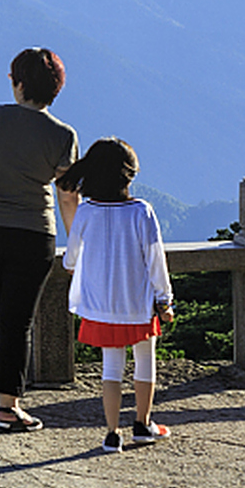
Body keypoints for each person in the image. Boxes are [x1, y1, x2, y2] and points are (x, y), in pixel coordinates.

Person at [0, 47, 78, 433]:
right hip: (32, 233)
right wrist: (75, 240)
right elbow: (66, 192)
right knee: (18, 320)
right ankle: (9, 404)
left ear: (18, 83)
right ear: (55, 89)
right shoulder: (62, 134)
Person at [59, 138, 174, 452]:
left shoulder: (86, 212)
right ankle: (143, 423)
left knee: (111, 368)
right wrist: (165, 300)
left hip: (100, 306)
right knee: (145, 361)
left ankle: (112, 433)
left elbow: (70, 259)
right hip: (137, 304)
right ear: (129, 175)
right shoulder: (141, 211)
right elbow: (155, 261)